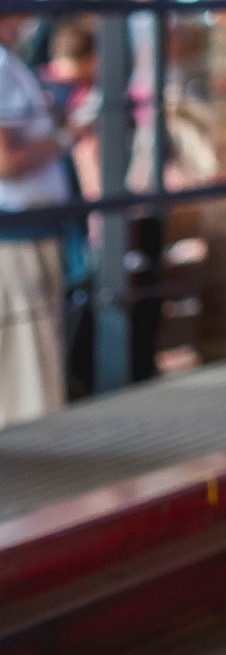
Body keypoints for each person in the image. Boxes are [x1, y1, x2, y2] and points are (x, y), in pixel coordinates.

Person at [0, 14, 84, 428]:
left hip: (28, 232)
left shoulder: (10, 64)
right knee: (27, 371)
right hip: (17, 237)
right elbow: (5, 162)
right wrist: (66, 136)